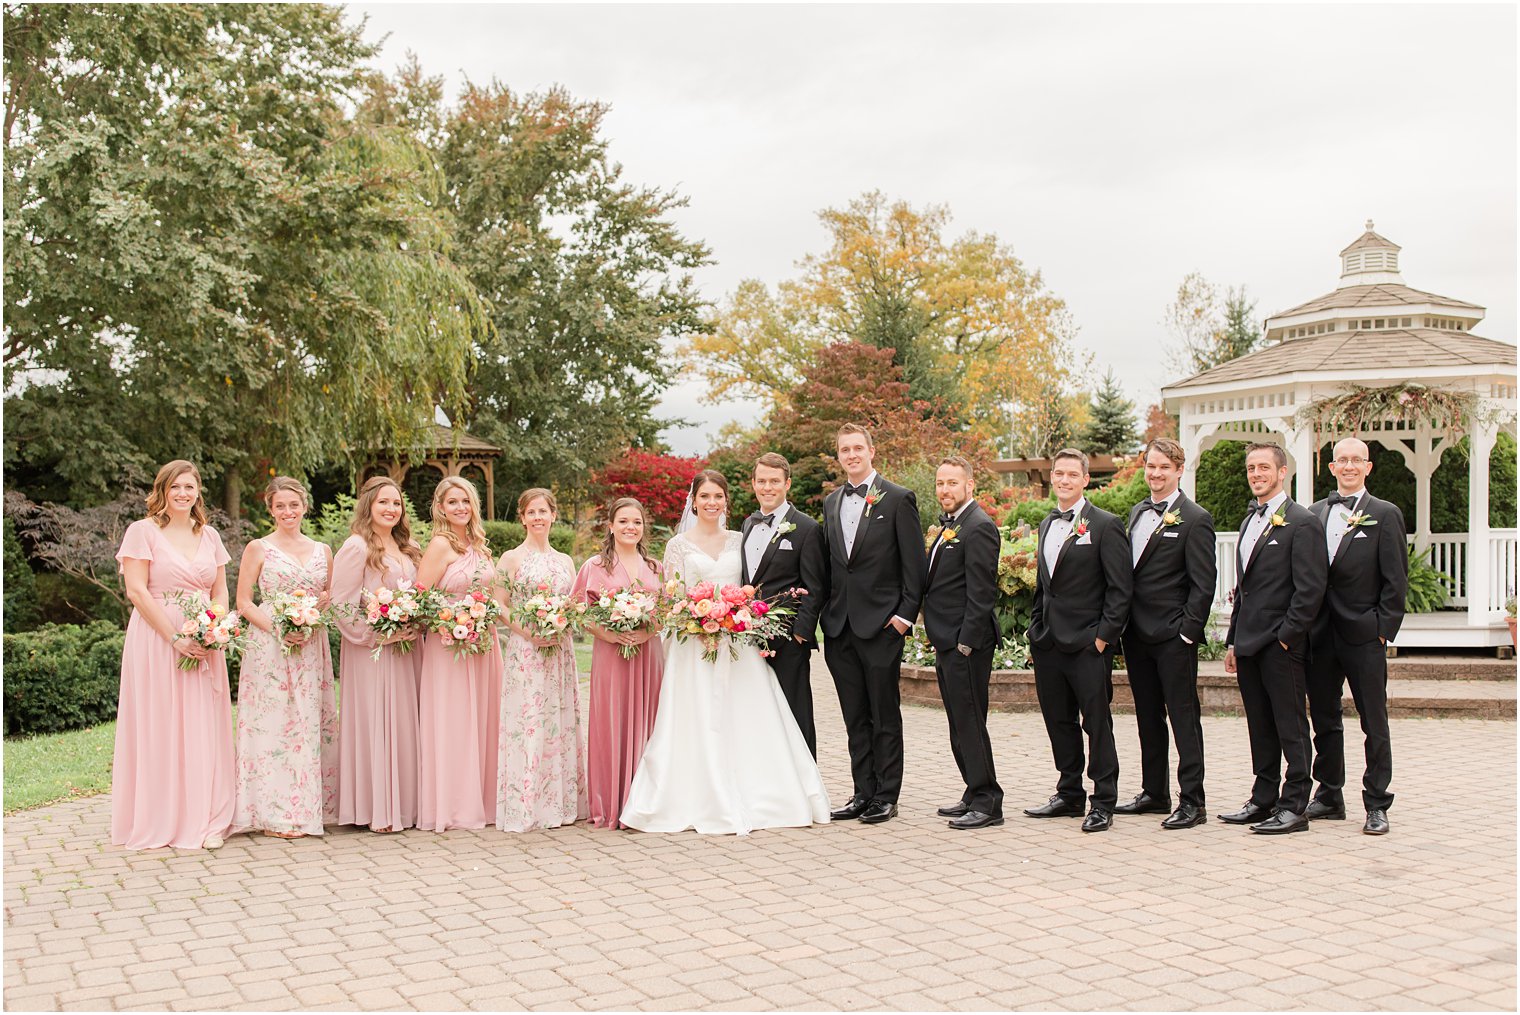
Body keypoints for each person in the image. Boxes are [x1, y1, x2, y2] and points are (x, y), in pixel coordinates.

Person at [621, 470, 830, 835]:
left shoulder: (740, 538)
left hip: (737, 642)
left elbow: (751, 588)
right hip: (693, 645)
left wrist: (736, 617)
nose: (711, 503)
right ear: (694, 500)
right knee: (694, 717)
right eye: (705, 497)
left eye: (718, 496)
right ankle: (694, 793)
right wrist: (694, 621)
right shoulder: (677, 545)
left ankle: (765, 792)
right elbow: (672, 597)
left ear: (726, 501)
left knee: (748, 715)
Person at [111, 460, 236, 850]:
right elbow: (137, 591)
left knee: (203, 724)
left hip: (203, 639)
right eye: (176, 487)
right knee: (160, 722)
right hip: (156, 638)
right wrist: (175, 638)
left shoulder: (210, 535)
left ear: (198, 492)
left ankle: (208, 818)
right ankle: (160, 816)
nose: (183, 493)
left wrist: (213, 629)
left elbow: (221, 592)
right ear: (162, 490)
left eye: (190, 487)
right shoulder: (142, 532)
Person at [820, 423, 925, 825]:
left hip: (882, 626)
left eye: (857, 448)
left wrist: (903, 618)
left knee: (884, 714)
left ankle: (887, 795)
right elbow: (832, 565)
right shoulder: (832, 502)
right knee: (853, 717)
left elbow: (913, 567)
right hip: (840, 627)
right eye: (844, 449)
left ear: (871, 451)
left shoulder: (898, 499)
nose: (851, 455)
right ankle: (862, 791)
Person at [1221, 442, 1328, 835]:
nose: (1256, 474)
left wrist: (1286, 637)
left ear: (1283, 472)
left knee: (1291, 724)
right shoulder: (1250, 520)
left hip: (1281, 644)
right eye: (1251, 468)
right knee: (1260, 725)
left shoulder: (1302, 521)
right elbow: (1244, 589)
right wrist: (1233, 640)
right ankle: (1262, 798)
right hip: (1248, 641)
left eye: (1264, 467)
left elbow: (1310, 589)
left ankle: (1295, 804)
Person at [1024, 448, 1132, 833]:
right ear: (1052, 477)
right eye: (1059, 474)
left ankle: (1103, 800)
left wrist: (1103, 638)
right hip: (1048, 642)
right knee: (1058, 721)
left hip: (1088, 644)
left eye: (1072, 474)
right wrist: (1036, 629)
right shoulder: (1046, 523)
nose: (1064, 480)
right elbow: (1044, 585)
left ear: (1086, 479)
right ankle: (1069, 792)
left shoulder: (1105, 524)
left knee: (1097, 724)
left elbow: (1120, 590)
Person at [1306, 437, 1407, 836]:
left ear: (1368, 467)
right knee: (1325, 718)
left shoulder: (1385, 514)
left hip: (1364, 634)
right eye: (1341, 460)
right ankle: (1330, 793)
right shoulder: (1313, 514)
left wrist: (1383, 631)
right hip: (1319, 634)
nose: (1348, 466)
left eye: (1356, 460)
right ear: (1331, 468)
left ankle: (1377, 802)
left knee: (1373, 720)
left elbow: (1396, 580)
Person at [1115, 438, 1216, 830]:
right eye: (1150, 466)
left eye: (1163, 467)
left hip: (1174, 637)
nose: (1155, 473)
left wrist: (1187, 633)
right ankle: (1153, 792)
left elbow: (1203, 584)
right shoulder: (1138, 512)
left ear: (1179, 470)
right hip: (1136, 635)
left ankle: (1192, 800)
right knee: (1147, 716)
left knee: (1183, 718)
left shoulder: (1195, 518)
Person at [230, 476, 338, 839]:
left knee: (307, 723)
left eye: (294, 505)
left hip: (311, 645)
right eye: (280, 506)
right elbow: (243, 603)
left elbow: (328, 597)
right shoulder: (258, 548)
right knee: (274, 724)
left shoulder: (323, 550)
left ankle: (307, 808)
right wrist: (279, 628)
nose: (288, 512)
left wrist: (319, 610)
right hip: (270, 646)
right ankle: (273, 812)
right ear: (270, 510)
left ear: (305, 506)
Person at [332, 476, 423, 834]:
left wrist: (415, 622)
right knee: (377, 720)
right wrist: (376, 635)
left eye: (396, 503)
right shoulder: (356, 547)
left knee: (404, 721)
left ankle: (406, 805)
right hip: (371, 651)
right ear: (368, 504)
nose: (391, 509)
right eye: (384, 502)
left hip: (406, 647)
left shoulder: (409, 546)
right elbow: (341, 603)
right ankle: (377, 808)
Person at [920, 456, 1004, 830]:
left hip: (965, 644)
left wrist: (965, 644)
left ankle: (988, 802)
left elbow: (982, 593)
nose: (945, 490)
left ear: (970, 485)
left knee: (969, 722)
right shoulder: (951, 526)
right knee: (958, 722)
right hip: (946, 640)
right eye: (940, 483)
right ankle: (973, 790)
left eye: (952, 483)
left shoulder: (979, 526)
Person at [497, 487, 587, 831]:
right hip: (526, 649)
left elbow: (575, 604)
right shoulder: (510, 558)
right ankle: (526, 805)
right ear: (522, 518)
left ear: (553, 515)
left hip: (559, 650)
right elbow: (500, 604)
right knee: (529, 721)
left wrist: (564, 620)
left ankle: (561, 803)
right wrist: (527, 632)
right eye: (531, 512)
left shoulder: (566, 561)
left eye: (543, 511)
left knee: (558, 719)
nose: (538, 517)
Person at [573, 498, 665, 829]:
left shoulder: (655, 567)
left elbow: (667, 610)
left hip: (648, 655)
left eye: (637, 522)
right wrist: (609, 635)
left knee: (648, 722)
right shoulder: (594, 566)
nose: (630, 527)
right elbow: (579, 610)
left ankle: (644, 803)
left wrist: (647, 632)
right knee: (612, 721)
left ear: (644, 528)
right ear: (610, 526)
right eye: (623, 521)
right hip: (611, 655)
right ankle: (610, 803)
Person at [416, 477, 502, 831]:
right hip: (448, 645)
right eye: (452, 502)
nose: (460, 508)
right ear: (440, 508)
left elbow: (494, 595)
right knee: (454, 720)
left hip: (483, 642)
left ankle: (483, 799)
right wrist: (451, 623)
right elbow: (421, 598)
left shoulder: (480, 547)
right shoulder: (439, 545)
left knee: (483, 718)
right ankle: (453, 806)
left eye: (465, 501)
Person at [740, 452, 827, 757]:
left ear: (787, 483)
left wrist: (800, 634)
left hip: (789, 640)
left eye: (774, 481)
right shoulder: (747, 524)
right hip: (749, 639)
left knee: (795, 713)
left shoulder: (806, 528)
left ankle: (806, 788)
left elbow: (815, 587)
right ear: (753, 484)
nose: (767, 487)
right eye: (761, 481)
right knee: (758, 714)